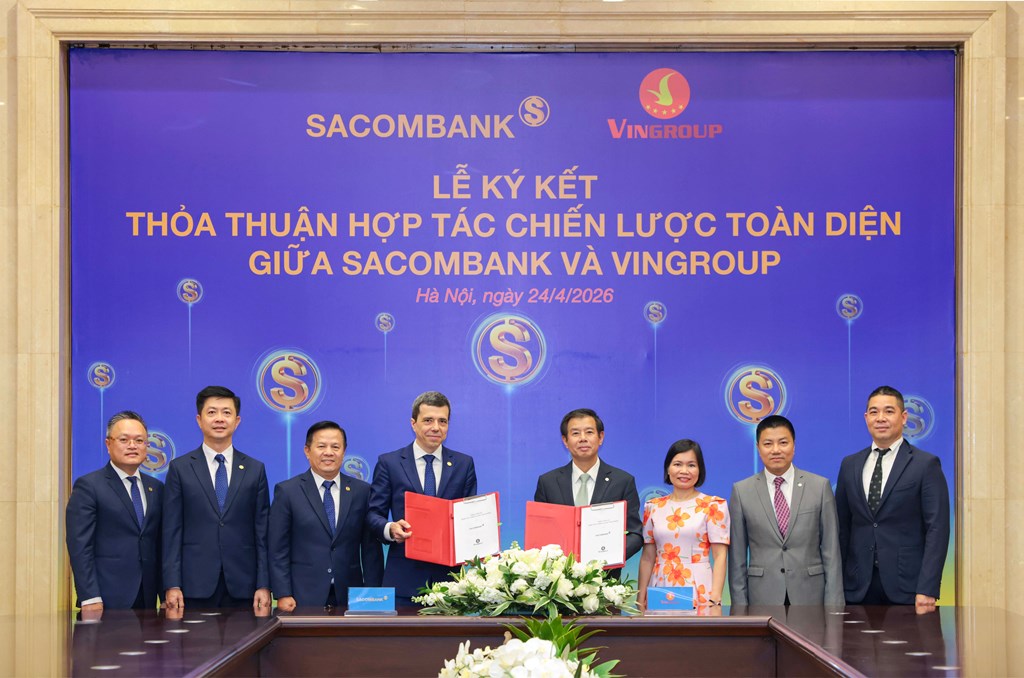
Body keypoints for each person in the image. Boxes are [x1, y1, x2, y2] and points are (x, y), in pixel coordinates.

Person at [835, 386, 950, 608]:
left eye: (889, 411)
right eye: (874, 412)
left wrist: (928, 587)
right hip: (857, 587)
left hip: (908, 587)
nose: (881, 418)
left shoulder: (925, 464)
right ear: (866, 418)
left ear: (903, 417)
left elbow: (937, 529)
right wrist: (836, 585)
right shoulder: (850, 464)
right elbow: (842, 528)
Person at [162, 385, 271, 611]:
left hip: (244, 585)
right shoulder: (180, 468)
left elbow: (262, 531)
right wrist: (172, 584)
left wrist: (264, 584)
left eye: (226, 412)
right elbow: (171, 531)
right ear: (199, 420)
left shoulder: (255, 469)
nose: (219, 418)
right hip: (193, 585)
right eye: (212, 412)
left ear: (237, 421)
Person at [367, 391, 477, 601]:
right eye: (428, 420)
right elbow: (373, 514)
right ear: (413, 424)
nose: (436, 427)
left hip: (450, 582)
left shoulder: (464, 464)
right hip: (404, 578)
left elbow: (470, 516)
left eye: (442, 421)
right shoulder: (389, 463)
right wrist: (390, 528)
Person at [728, 415, 843, 606]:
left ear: (794, 446)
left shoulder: (819, 487)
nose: (776, 450)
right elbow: (737, 558)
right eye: (768, 444)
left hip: (810, 596)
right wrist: (740, 608)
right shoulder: (742, 491)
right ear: (758, 447)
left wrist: (834, 606)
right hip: (762, 596)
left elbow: (831, 552)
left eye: (783, 442)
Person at [269, 421, 384, 610]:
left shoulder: (362, 491)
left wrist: (373, 595)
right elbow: (277, 549)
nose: (329, 452)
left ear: (344, 452)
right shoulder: (288, 491)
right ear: (307, 451)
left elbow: (371, 550)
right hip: (301, 595)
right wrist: (282, 593)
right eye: (321, 446)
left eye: (335, 447)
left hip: (351, 596)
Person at [66, 411, 164, 613]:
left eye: (139, 440)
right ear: (108, 444)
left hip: (147, 597)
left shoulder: (156, 488)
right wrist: (89, 596)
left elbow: (160, 544)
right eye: (124, 440)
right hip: (105, 598)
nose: (132, 446)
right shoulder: (89, 486)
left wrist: (164, 594)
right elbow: (80, 546)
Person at [534, 408, 643, 576]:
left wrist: (606, 560)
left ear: (601, 437)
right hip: (559, 581)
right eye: (575, 433)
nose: (583, 438)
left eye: (589, 432)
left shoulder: (622, 481)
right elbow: (540, 533)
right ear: (565, 440)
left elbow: (635, 533)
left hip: (605, 581)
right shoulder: (548, 482)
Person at [637, 439, 729, 609]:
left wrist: (715, 599)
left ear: (700, 470)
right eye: (677, 464)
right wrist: (640, 596)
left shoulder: (714, 505)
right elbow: (648, 557)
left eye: (691, 465)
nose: (684, 471)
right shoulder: (653, 507)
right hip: (660, 586)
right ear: (668, 468)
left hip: (699, 587)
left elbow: (720, 556)